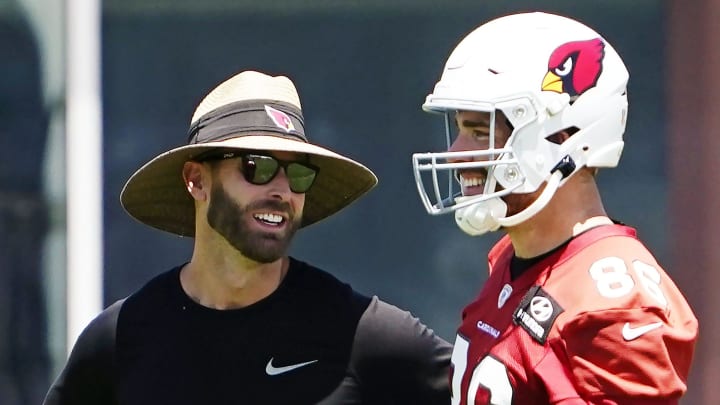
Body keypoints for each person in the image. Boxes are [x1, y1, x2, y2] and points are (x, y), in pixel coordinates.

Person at [44, 70, 452, 404]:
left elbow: (497, 385)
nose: (281, 190)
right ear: (196, 180)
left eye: (298, 174)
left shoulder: (365, 334)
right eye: (257, 166)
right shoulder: (121, 337)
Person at [411, 11, 698, 405]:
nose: (456, 153)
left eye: (479, 132)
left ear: (562, 138)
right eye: (460, 130)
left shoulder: (614, 303)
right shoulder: (513, 258)